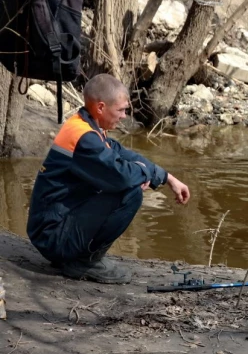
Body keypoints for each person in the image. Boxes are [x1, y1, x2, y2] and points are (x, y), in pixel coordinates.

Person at [27, 74, 190, 284]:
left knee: (128, 181)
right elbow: (121, 177)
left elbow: (123, 154)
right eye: (121, 110)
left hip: (51, 228)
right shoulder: (85, 139)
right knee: (129, 192)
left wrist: (167, 177)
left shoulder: (85, 126)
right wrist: (141, 173)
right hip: (52, 237)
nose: (124, 116)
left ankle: (75, 256)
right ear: (101, 107)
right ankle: (84, 261)